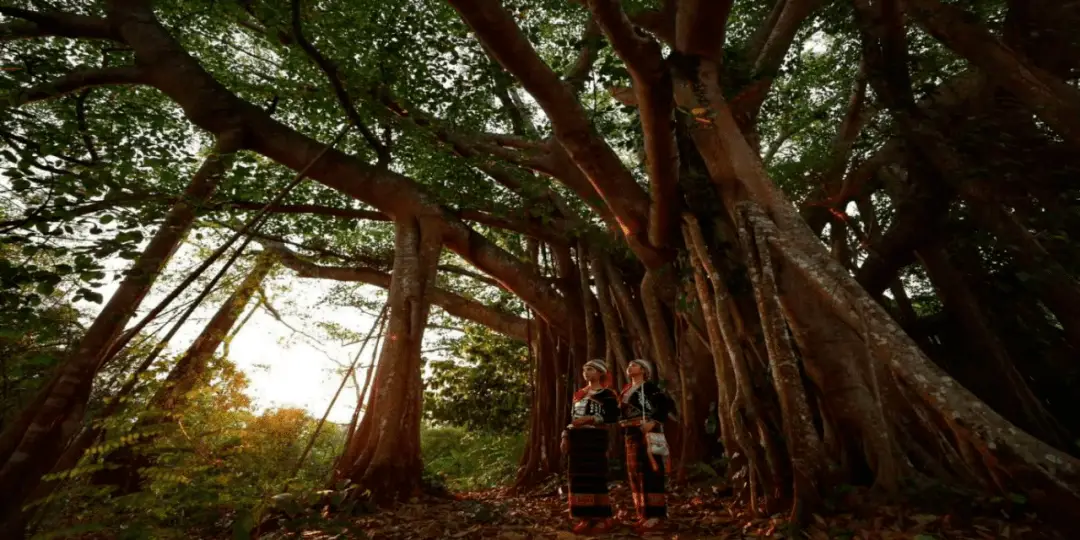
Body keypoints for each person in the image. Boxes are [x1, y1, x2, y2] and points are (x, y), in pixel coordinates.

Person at [561, 359, 619, 534]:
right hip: (577, 438)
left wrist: (591, 419)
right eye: (585, 369)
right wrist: (565, 435)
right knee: (578, 478)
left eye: (591, 369)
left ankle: (603, 517)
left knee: (596, 476)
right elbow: (571, 418)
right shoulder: (578, 394)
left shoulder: (607, 394)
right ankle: (585, 517)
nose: (586, 372)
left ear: (601, 373)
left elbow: (613, 416)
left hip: (595, 437)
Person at [619, 359, 674, 534]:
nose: (630, 368)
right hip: (631, 434)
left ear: (644, 370)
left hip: (648, 434)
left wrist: (653, 421)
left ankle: (656, 516)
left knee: (652, 472)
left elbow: (665, 405)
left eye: (634, 365)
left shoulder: (650, 388)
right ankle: (643, 513)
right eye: (629, 365)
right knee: (635, 473)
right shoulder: (626, 390)